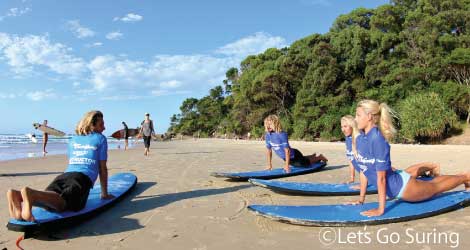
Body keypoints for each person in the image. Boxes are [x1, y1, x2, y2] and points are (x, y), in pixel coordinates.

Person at [348, 100, 470, 217]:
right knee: (433, 184)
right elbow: (364, 170)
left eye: (358, 115)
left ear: (369, 116)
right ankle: (463, 176)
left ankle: (466, 177)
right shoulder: (360, 139)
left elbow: (381, 178)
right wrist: (361, 199)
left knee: (435, 188)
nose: (355, 119)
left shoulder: (378, 140)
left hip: (404, 189)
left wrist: (381, 209)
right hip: (398, 181)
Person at [6, 110, 114, 222]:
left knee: (50, 202)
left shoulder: (73, 140)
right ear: (91, 125)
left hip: (64, 176)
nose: (104, 128)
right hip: (82, 179)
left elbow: (74, 162)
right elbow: (102, 168)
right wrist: (104, 194)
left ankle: (17, 195)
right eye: (101, 124)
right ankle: (31, 193)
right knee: (64, 204)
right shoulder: (100, 139)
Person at [340, 115, 440, 189]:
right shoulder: (348, 139)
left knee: (406, 176)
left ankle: (432, 165)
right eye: (342, 127)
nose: (343, 129)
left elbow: (368, 159)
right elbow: (352, 160)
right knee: (405, 174)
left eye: (345, 126)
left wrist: (363, 185)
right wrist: (352, 178)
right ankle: (430, 166)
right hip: (372, 174)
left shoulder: (360, 138)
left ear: (352, 126)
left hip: (379, 171)